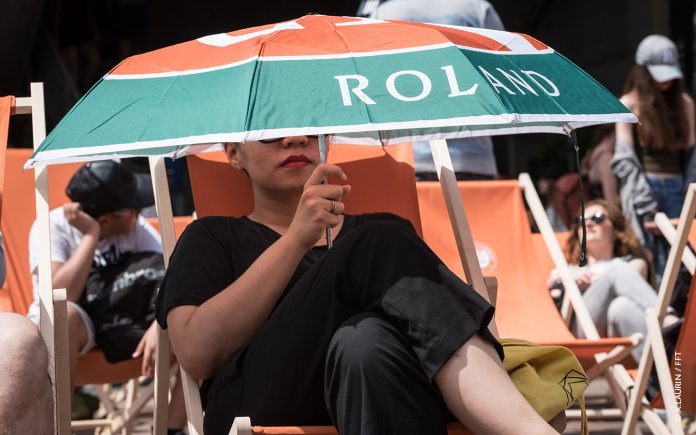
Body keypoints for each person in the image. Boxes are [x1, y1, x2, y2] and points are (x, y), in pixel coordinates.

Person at [156, 135, 557, 435]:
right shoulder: (211, 237)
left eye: (309, 130)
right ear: (233, 153)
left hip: (380, 387)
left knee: (363, 343)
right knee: (377, 241)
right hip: (259, 400)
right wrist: (296, 240)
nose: (294, 139)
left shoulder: (384, 231)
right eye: (270, 132)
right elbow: (195, 353)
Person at [26, 160, 187, 432]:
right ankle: (55, 429)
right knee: (64, 314)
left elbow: (177, 276)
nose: (139, 215)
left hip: (122, 326)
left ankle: (169, 429)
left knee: (195, 316)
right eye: (134, 210)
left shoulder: (134, 227)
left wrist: (160, 321)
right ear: (105, 219)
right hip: (69, 332)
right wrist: (91, 235)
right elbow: (59, 296)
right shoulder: (52, 226)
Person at [366, 0, 504, 180]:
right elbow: (502, 75)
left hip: (404, 156)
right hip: (471, 156)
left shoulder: (382, 12)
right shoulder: (477, 7)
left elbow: (371, 84)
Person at [614, 34, 696, 283]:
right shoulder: (628, 103)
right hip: (644, 189)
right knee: (648, 256)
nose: (666, 81)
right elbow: (625, 160)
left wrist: (689, 200)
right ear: (643, 71)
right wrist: (645, 207)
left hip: (678, 189)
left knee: (681, 257)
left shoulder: (684, 103)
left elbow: (692, 156)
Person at [547, 200, 657, 360]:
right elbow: (548, 298)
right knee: (617, 271)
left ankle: (658, 370)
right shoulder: (565, 270)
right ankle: (665, 318)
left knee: (621, 306)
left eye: (597, 218)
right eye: (581, 221)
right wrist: (568, 280)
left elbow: (629, 285)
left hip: (617, 328)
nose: (588, 224)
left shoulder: (632, 263)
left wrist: (591, 281)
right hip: (582, 331)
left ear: (615, 229)